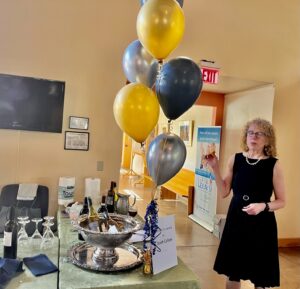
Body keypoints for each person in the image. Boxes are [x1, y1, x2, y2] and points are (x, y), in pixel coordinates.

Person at [205, 118, 285, 289]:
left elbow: (282, 201)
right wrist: (215, 168)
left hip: (262, 224)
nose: (253, 136)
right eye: (250, 132)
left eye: (259, 133)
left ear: (267, 139)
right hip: (236, 220)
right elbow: (224, 191)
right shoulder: (236, 159)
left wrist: (263, 206)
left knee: (260, 275)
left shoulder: (273, 165)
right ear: (245, 136)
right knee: (233, 272)